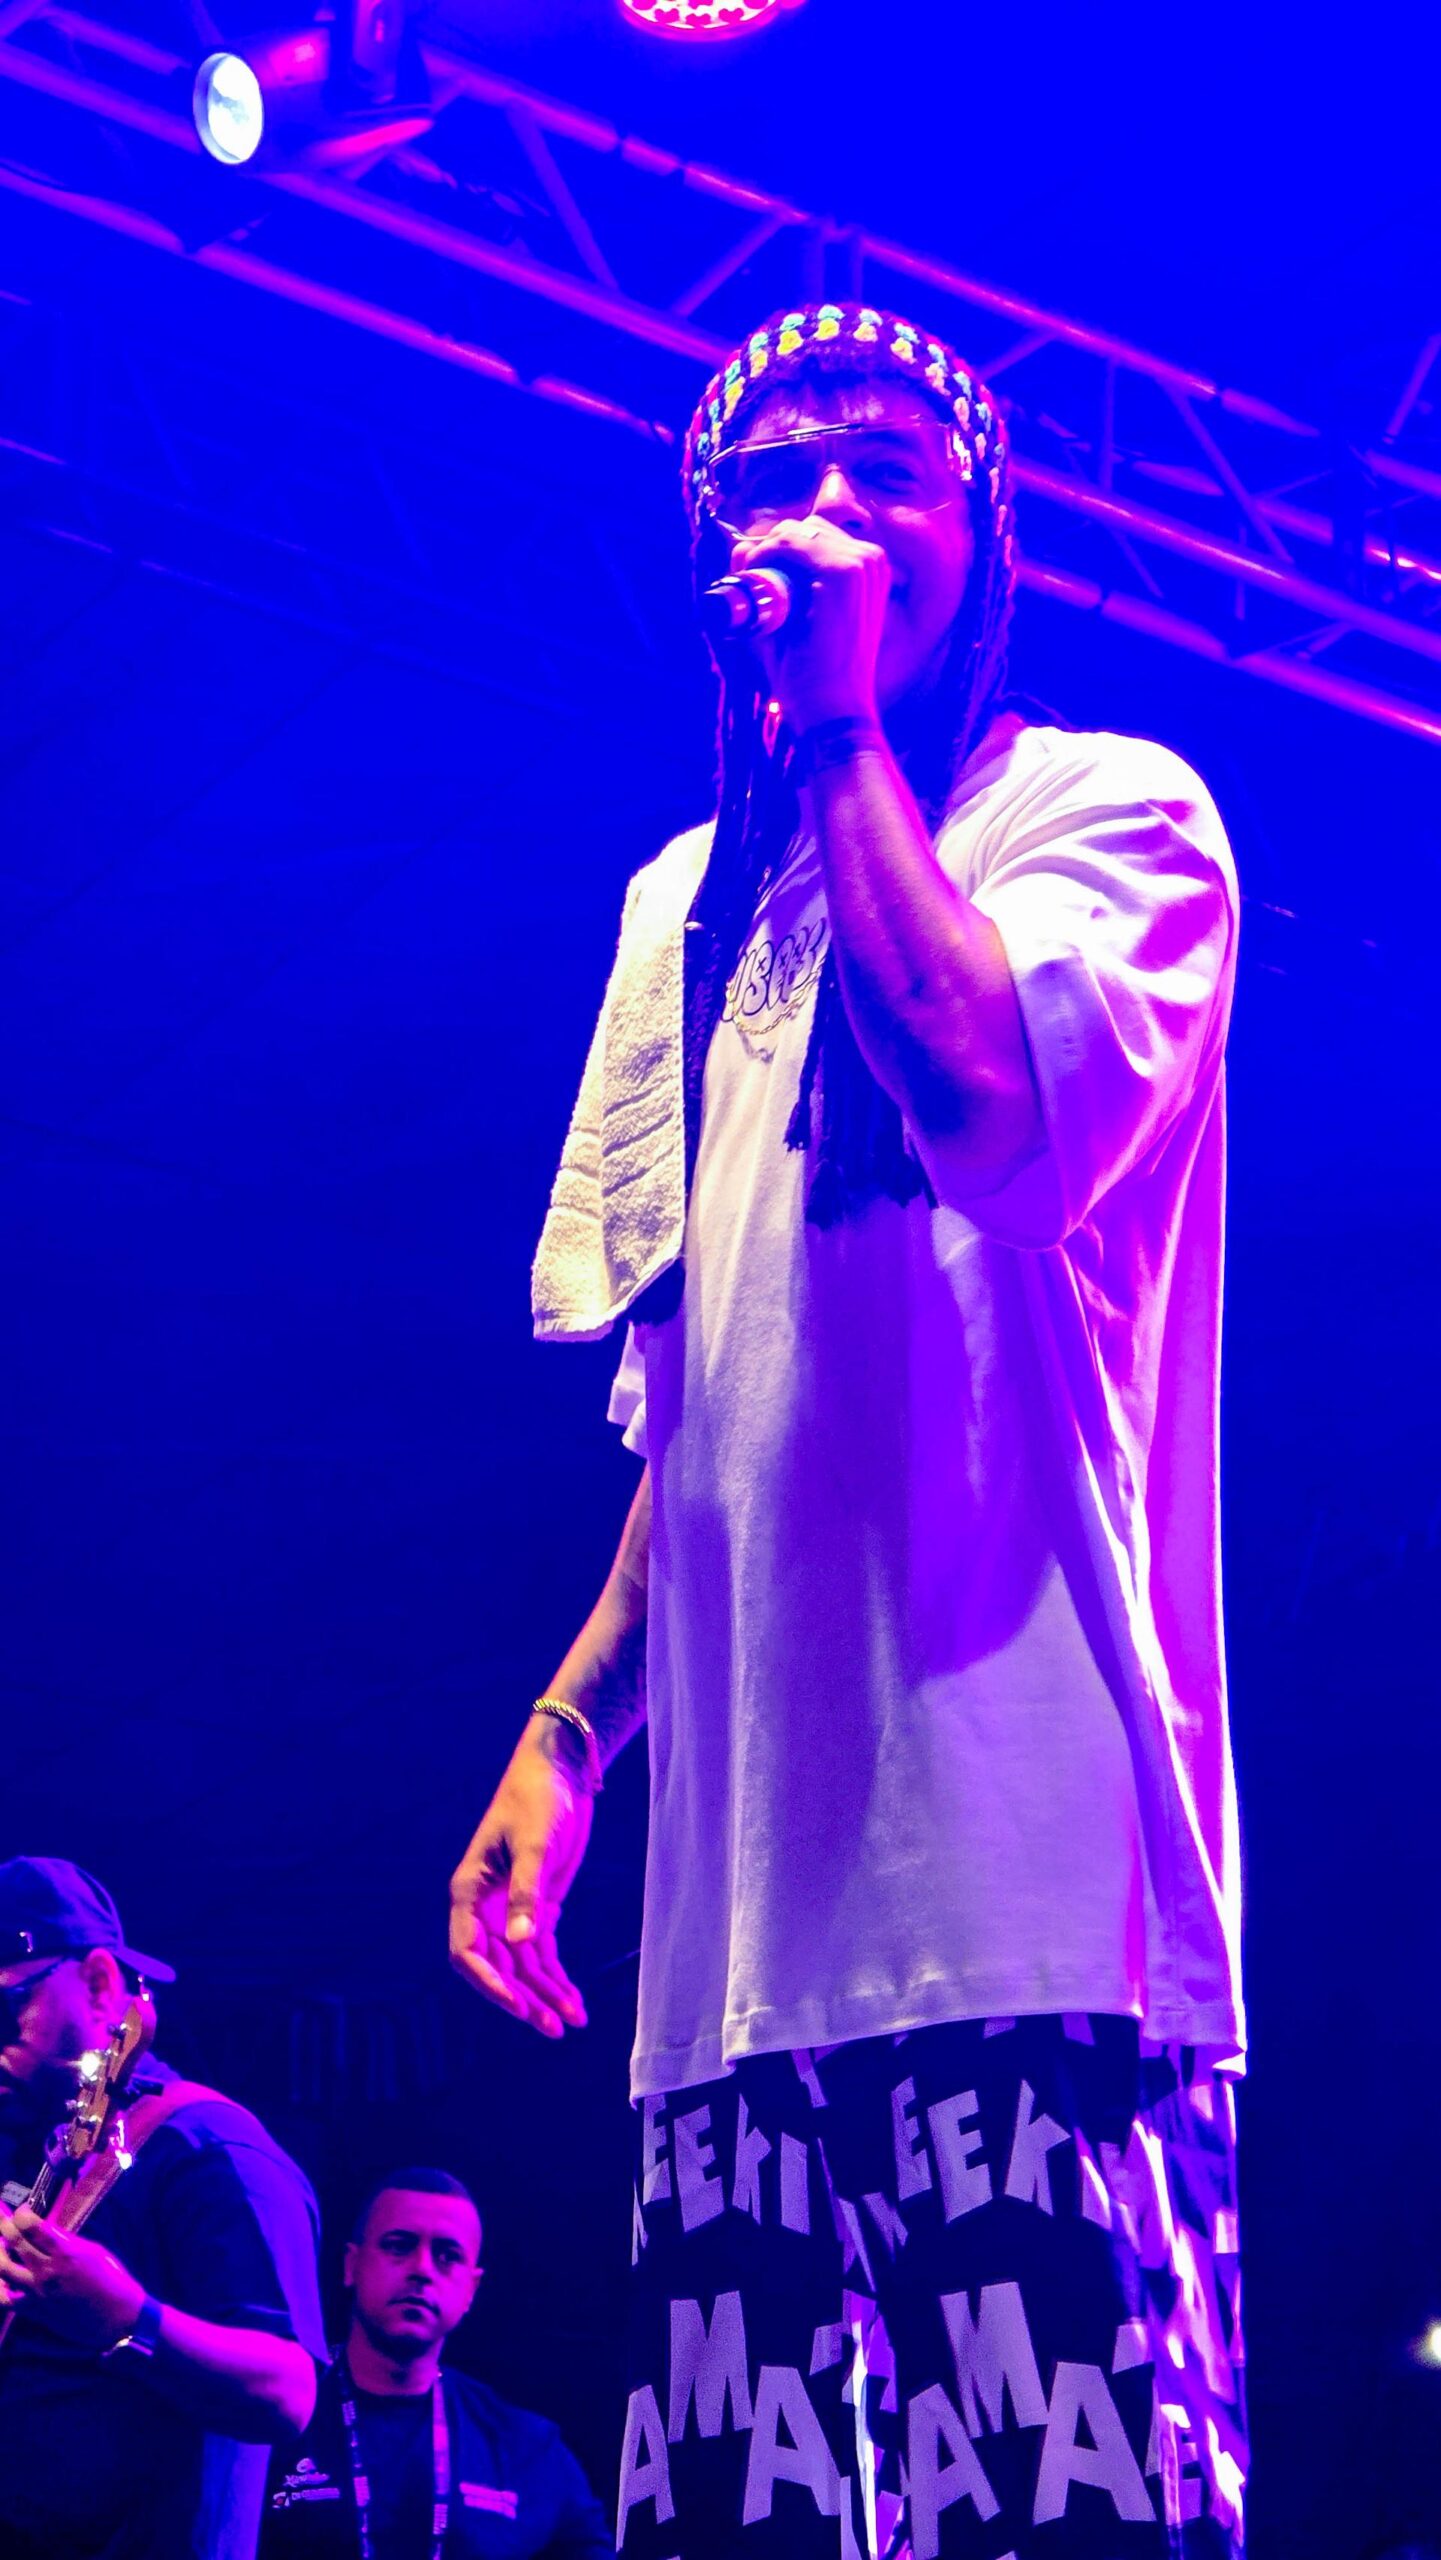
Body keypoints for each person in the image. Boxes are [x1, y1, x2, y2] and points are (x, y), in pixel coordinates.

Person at [450, 300, 1247, 2557]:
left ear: (982, 548)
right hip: (731, 1952)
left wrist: (836, 728)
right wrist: (568, 1732)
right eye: (771, 477)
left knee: (1081, 2521)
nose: (825, 512)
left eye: (887, 470)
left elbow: (991, 1098)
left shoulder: (1105, 816)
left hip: (1024, 1892)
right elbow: (695, 1398)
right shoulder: (683, 913)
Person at [0, 1854, 327, 2559]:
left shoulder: (209, 2148)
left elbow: (287, 2389)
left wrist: (127, 2318)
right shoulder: (35, 2149)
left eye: (4, 2009)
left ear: (98, 1984)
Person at [261, 2166, 613, 2557]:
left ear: (470, 2289)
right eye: (399, 2246)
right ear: (351, 2265)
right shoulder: (275, 2412)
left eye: (447, 2256)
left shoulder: (524, 2447)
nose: (422, 2270)